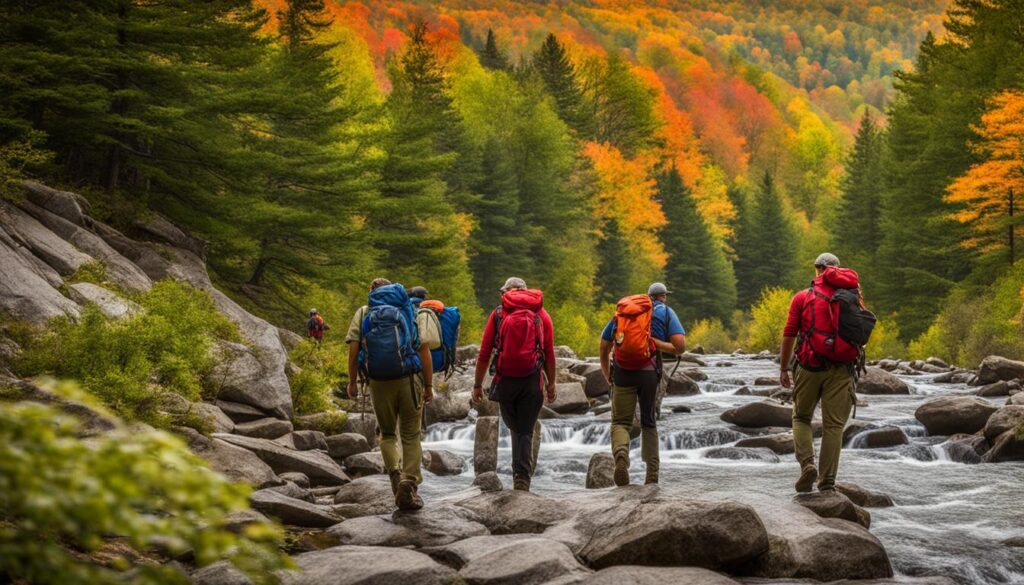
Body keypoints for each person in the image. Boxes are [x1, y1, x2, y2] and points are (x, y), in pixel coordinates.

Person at [345, 278, 440, 510]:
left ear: (371, 292)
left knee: (387, 434)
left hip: (378, 381)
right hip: (410, 379)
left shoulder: (364, 312)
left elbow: (353, 350)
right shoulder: (409, 309)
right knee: (410, 436)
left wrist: (353, 382)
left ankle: (396, 478)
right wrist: (428, 385)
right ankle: (409, 482)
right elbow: (424, 350)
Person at [779, 253, 862, 493]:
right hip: (843, 368)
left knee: (801, 417)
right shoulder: (854, 297)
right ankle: (827, 482)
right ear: (838, 270)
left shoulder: (803, 297)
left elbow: (789, 333)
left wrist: (784, 367)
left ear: (818, 269)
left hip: (810, 365)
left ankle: (807, 465)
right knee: (834, 426)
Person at [472, 277, 556, 492]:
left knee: (514, 427)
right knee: (525, 430)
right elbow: (549, 354)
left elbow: (484, 353)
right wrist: (551, 384)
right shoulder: (541, 314)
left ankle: (518, 475)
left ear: (508, 292)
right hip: (532, 378)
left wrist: (477, 385)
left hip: (505, 378)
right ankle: (522, 478)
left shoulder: (499, 314)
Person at [599, 282, 686, 486]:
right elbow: (680, 347)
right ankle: (652, 474)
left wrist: (606, 373)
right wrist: (654, 343)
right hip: (649, 373)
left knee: (620, 422)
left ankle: (621, 454)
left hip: (622, 372)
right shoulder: (666, 313)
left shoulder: (625, 312)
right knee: (649, 421)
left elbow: (604, 346)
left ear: (648, 296)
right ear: (663, 296)